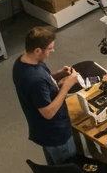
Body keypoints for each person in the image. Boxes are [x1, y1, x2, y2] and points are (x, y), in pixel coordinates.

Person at [13, 26, 80, 164]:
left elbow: (44, 81)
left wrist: (58, 74)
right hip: (56, 135)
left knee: (54, 169)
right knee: (67, 170)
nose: (52, 51)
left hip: (43, 132)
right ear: (38, 50)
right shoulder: (35, 79)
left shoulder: (23, 62)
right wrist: (66, 86)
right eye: (49, 49)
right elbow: (48, 113)